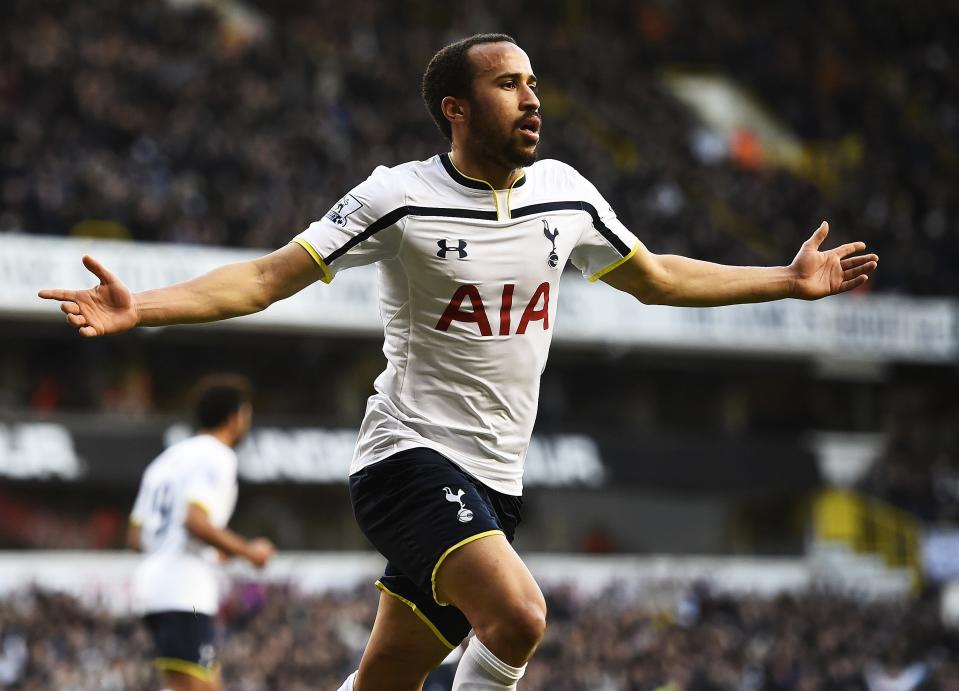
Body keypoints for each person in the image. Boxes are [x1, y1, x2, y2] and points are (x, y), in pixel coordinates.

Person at [40, 33, 878, 691]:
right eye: (509, 84)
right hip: (406, 458)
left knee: (386, 680)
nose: (531, 98)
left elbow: (656, 279)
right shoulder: (396, 198)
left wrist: (785, 279)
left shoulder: (567, 194)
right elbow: (265, 277)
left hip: (495, 479)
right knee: (517, 617)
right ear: (456, 107)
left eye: (535, 83)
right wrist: (142, 305)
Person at [127, 375, 275, 691]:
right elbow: (195, 521)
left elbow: (135, 536)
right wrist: (250, 552)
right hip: (183, 590)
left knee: (206, 684)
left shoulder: (165, 460)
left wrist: (210, 548)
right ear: (236, 416)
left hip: (155, 587)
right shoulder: (217, 455)